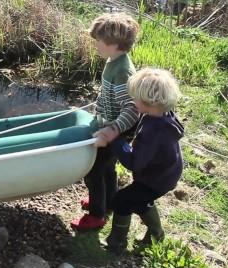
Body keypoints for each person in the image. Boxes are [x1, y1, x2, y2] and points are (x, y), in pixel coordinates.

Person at [100, 67, 184, 254]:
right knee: (140, 201)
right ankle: (156, 234)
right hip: (166, 171)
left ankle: (117, 243)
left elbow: (133, 162)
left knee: (122, 201)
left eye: (135, 98)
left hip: (156, 179)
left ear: (150, 101)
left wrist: (115, 139)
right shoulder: (160, 115)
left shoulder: (154, 131)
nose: (132, 101)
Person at [71, 13, 140, 231]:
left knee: (94, 171)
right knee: (108, 169)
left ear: (114, 43)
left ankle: (97, 214)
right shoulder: (113, 61)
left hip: (117, 130)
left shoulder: (123, 72)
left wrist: (111, 130)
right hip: (110, 125)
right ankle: (108, 202)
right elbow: (107, 94)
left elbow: (132, 109)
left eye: (98, 41)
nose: (95, 45)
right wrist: (98, 112)